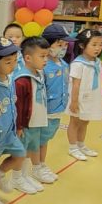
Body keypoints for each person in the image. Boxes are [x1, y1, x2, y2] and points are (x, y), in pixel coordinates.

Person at [0, 38, 28, 201]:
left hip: (9, 132)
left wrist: (17, 126)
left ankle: (0, 173)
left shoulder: (10, 78)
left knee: (20, 154)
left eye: (15, 61)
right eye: (8, 62)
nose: (13, 65)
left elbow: (13, 104)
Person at [36, 25, 74, 183]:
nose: (63, 48)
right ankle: (36, 167)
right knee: (38, 140)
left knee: (45, 139)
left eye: (65, 44)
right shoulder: (43, 67)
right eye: (59, 44)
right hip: (45, 111)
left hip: (57, 110)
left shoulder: (64, 64)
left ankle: (41, 164)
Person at [14, 37, 51, 195]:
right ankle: (16, 177)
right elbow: (19, 106)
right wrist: (19, 126)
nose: (45, 59)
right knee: (21, 151)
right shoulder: (22, 79)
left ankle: (25, 175)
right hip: (26, 124)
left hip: (37, 121)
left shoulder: (39, 73)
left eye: (46, 56)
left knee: (30, 149)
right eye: (42, 56)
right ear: (28, 58)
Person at [68, 29, 102, 160]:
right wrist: (74, 102)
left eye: (100, 45)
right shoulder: (78, 64)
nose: (98, 48)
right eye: (94, 44)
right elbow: (75, 85)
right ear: (82, 45)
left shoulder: (97, 62)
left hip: (91, 97)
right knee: (75, 122)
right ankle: (72, 147)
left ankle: (81, 145)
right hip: (78, 98)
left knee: (85, 121)